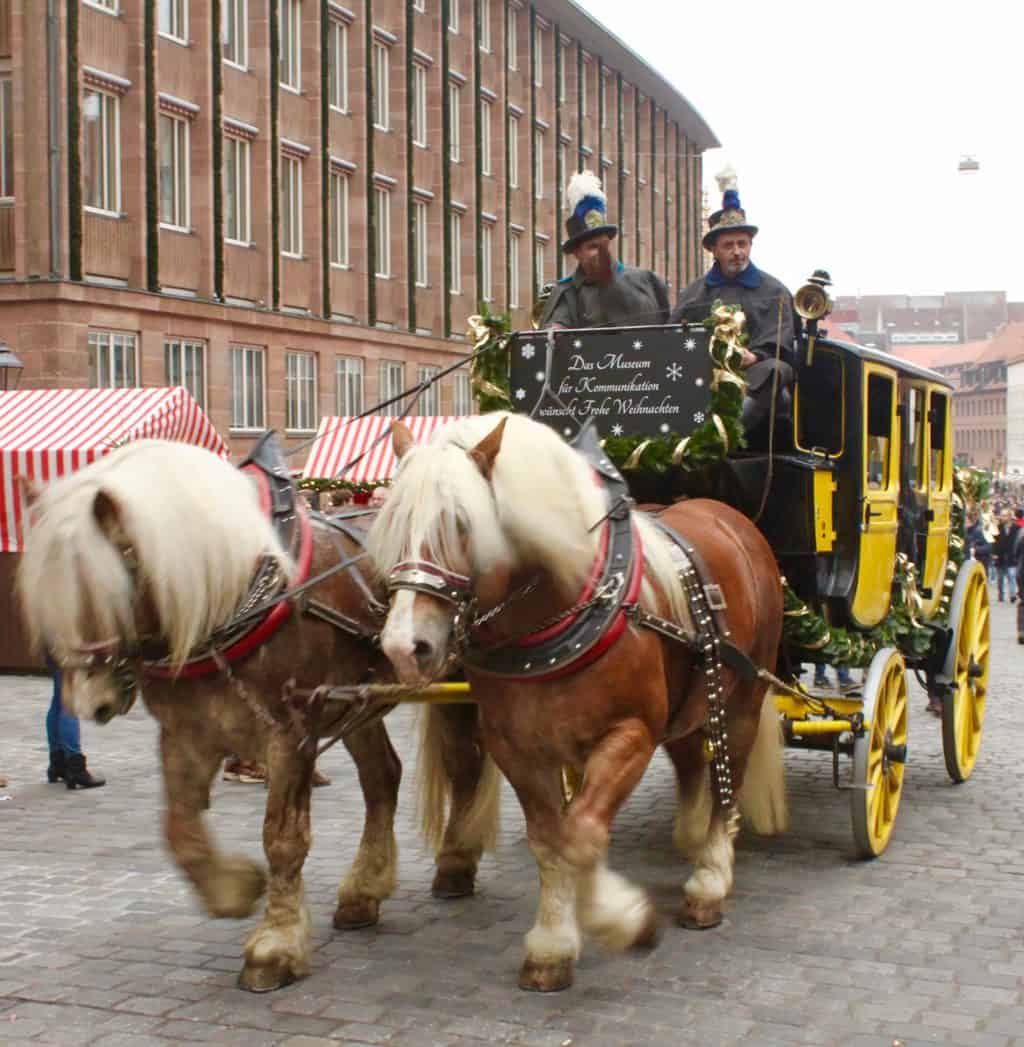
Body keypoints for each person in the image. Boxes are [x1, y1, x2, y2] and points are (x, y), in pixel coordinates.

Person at [670, 168, 796, 438]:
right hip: (702, 374)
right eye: (729, 245)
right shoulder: (694, 294)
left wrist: (754, 356)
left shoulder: (775, 291)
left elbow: (781, 340)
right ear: (713, 250)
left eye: (743, 244)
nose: (737, 252)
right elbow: (672, 338)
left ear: (751, 244)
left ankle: (725, 436)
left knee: (775, 370)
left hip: (755, 376)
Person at [539, 170, 670, 330]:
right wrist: (556, 328)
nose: (599, 253)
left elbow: (652, 323)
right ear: (576, 253)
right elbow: (557, 324)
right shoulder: (566, 291)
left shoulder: (644, 280)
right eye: (592, 247)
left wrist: (611, 283)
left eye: (603, 246)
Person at [45, 658, 106, 790]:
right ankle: (75, 769)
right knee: (69, 698)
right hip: (67, 645)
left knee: (59, 697)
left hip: (51, 645)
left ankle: (58, 764)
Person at [993, 509, 1017, 602]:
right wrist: (994, 553)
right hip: (1000, 556)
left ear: (1010, 517)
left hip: (1011, 556)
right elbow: (994, 541)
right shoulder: (998, 527)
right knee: (1000, 578)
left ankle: (1012, 595)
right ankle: (1001, 594)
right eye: (1002, 515)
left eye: (1004, 515)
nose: (1002, 517)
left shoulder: (1016, 528)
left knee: (1011, 575)